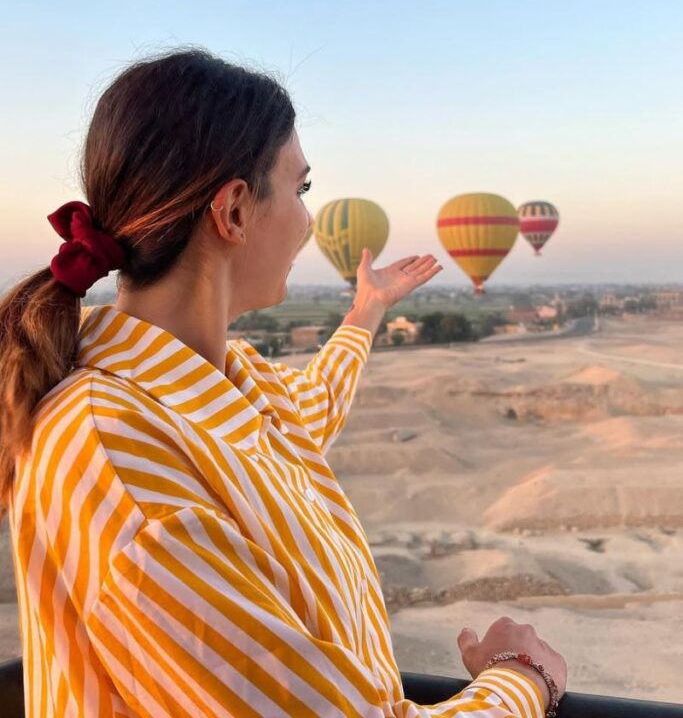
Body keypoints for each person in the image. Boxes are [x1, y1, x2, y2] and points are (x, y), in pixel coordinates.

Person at [0, 49, 567, 717]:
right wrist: (521, 677)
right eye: (300, 190)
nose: (308, 222)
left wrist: (365, 313)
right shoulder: (116, 455)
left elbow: (309, 409)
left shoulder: (234, 386)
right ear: (234, 211)